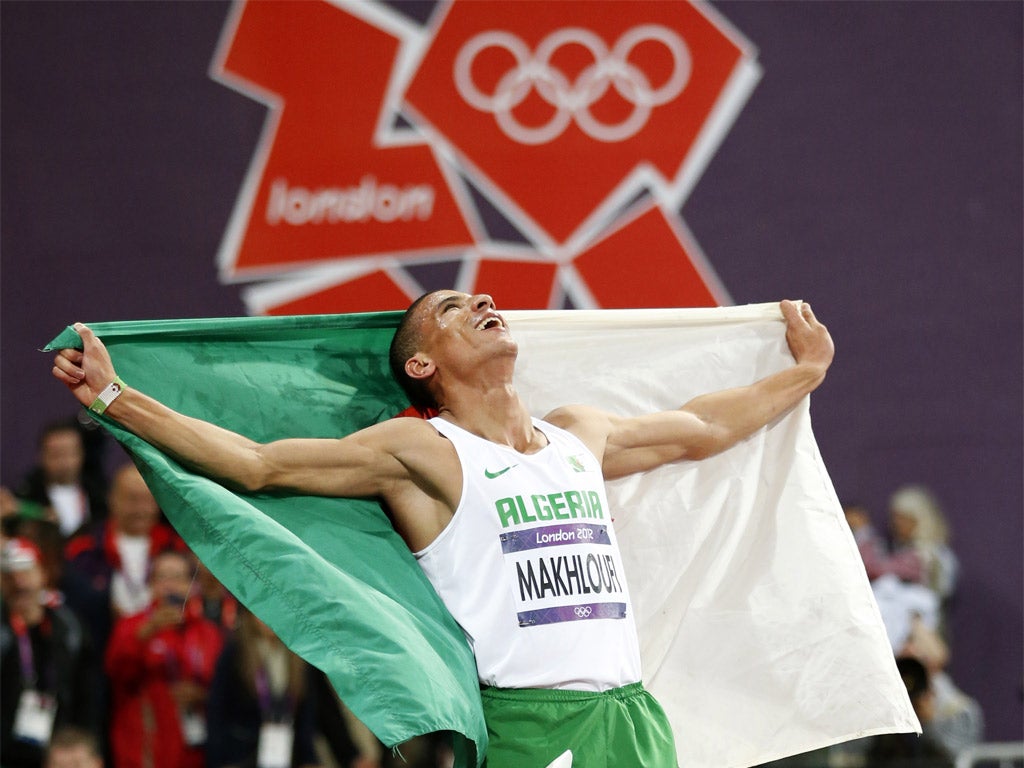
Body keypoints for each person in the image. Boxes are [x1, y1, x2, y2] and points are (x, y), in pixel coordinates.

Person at [51, 292, 834, 767]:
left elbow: (700, 425)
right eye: (454, 310)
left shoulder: (577, 436)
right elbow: (257, 464)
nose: (482, 304)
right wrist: (118, 399)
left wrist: (801, 374)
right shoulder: (423, 451)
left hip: (632, 716)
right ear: (423, 366)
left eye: (481, 299)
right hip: (534, 721)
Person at [104, 549, 223, 768]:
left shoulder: (208, 632)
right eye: (162, 577)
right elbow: (116, 672)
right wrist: (147, 631)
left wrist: (203, 695)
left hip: (194, 749)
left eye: (178, 578)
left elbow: (225, 688)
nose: (170, 585)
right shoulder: (130, 626)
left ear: (191, 586)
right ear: (151, 584)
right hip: (144, 749)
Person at [0, 538, 98, 768]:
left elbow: (87, 690)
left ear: (43, 574)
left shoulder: (68, 627)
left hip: (60, 753)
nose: (19, 582)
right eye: (9, 575)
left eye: (26, 572)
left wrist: (85, 742)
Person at [205, 608, 321, 768]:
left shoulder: (298, 656)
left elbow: (306, 712)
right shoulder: (235, 651)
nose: (269, 618)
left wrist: (309, 758)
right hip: (240, 755)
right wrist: (218, 760)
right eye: (262, 611)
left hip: (287, 754)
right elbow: (216, 710)